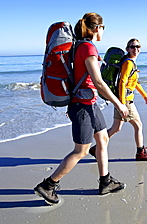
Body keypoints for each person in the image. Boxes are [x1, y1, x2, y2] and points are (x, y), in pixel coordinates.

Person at [34, 12, 129, 204]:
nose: (103, 31)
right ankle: (48, 185)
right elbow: (98, 82)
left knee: (102, 139)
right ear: (96, 28)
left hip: (90, 104)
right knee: (81, 151)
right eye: (102, 27)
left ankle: (105, 182)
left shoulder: (81, 47)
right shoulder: (87, 48)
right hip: (82, 107)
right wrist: (119, 103)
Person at [90, 39, 147, 161]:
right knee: (138, 126)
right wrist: (123, 104)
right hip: (125, 101)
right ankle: (140, 152)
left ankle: (96, 148)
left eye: (138, 46)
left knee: (116, 128)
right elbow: (122, 83)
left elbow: (134, 83)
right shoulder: (128, 63)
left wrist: (145, 96)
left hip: (120, 100)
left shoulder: (130, 63)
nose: (135, 49)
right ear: (127, 49)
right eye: (132, 47)